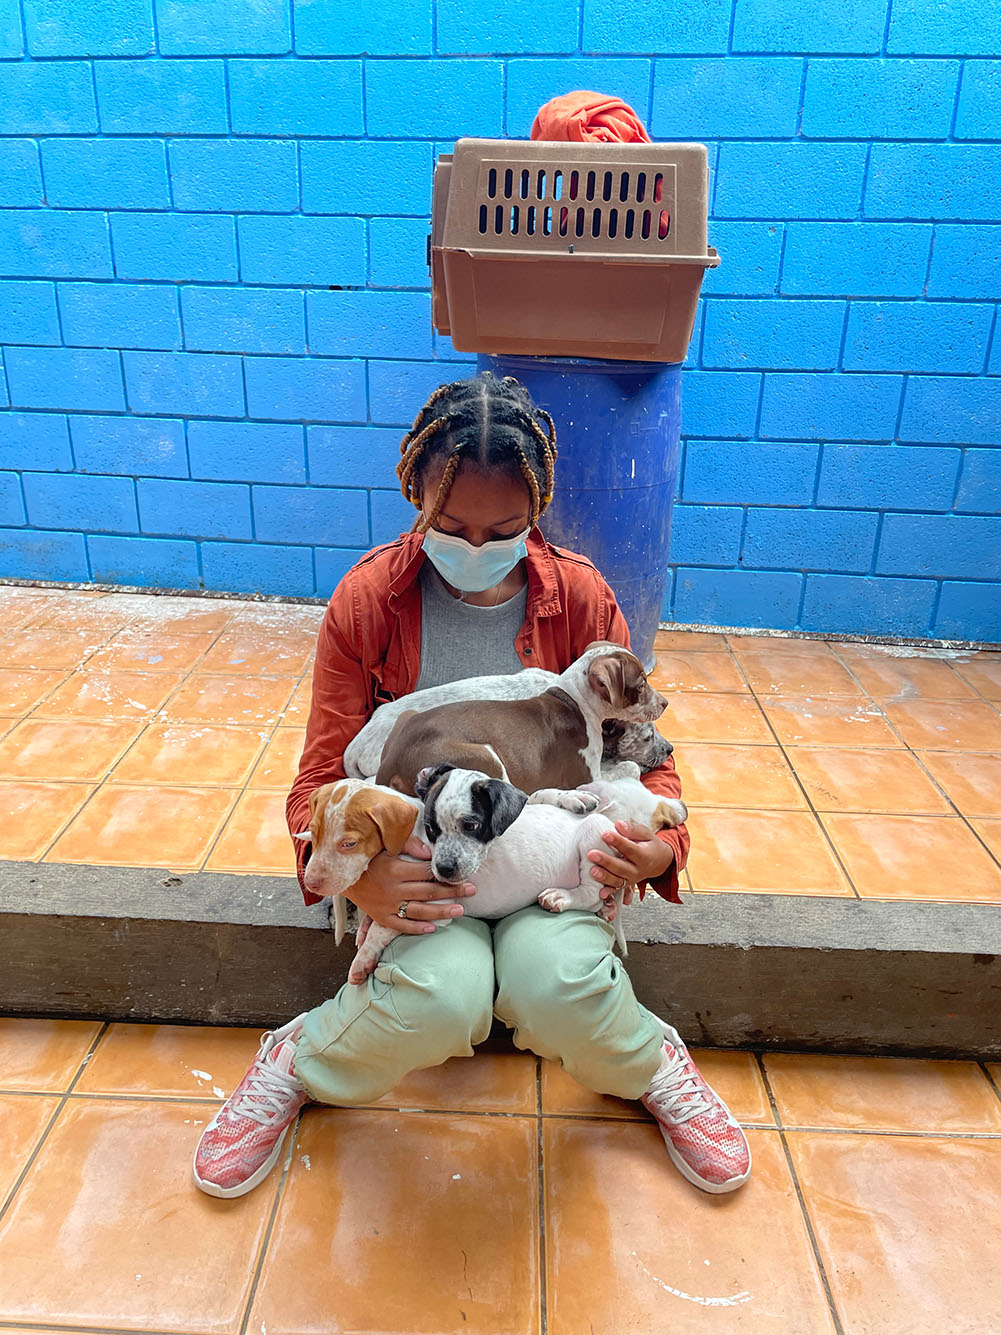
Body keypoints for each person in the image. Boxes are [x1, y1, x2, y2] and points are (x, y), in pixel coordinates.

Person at [193, 373, 751, 1199]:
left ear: (540, 507)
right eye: (448, 525)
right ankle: (296, 1059)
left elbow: (644, 757)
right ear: (411, 488)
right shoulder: (369, 601)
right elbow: (317, 776)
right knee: (439, 998)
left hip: (548, 867)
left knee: (557, 984)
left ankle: (651, 1060)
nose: (475, 546)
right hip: (427, 868)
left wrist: (658, 848)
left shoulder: (584, 598)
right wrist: (361, 870)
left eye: (506, 528)